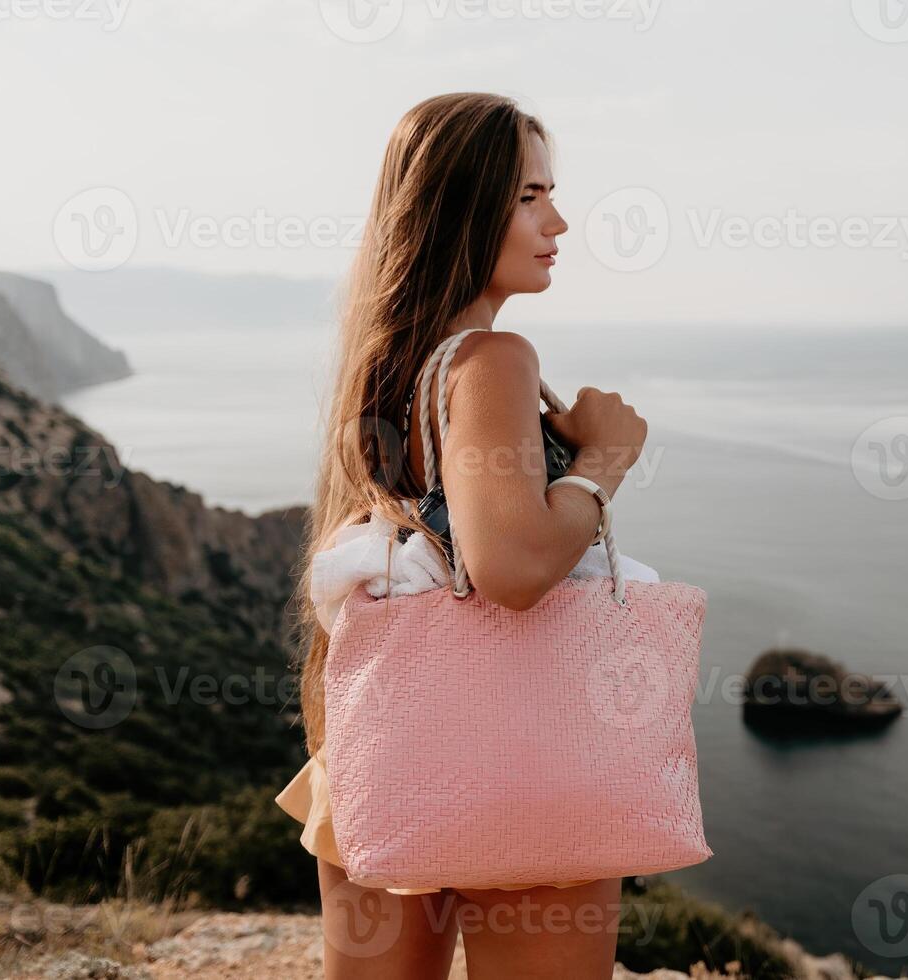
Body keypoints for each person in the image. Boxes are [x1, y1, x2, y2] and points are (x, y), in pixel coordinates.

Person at [277, 92, 649, 980]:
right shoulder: (492, 361)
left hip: (382, 744)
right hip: (520, 763)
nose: (557, 220)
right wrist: (601, 460)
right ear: (456, 208)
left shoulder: (385, 368)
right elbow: (513, 568)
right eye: (527, 196)